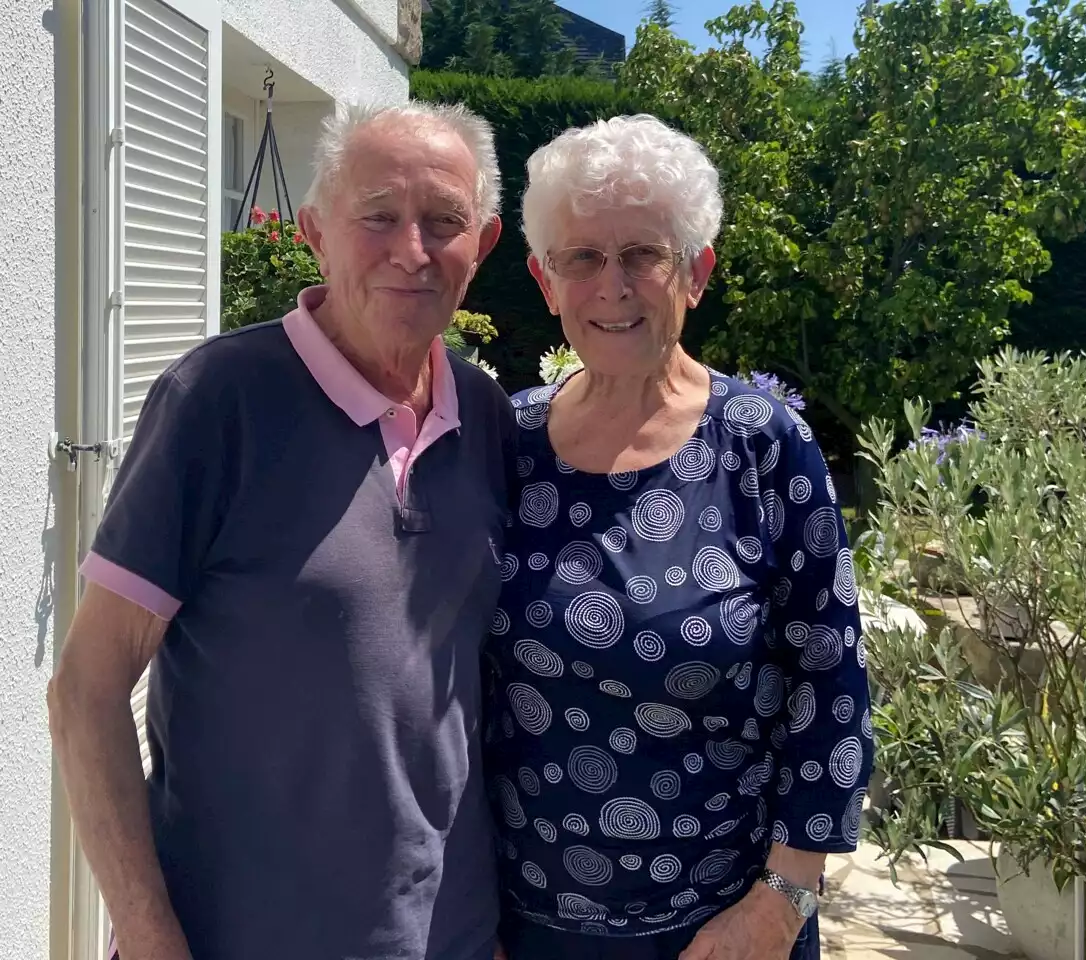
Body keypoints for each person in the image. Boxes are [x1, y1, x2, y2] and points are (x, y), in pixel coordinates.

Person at [48, 101, 516, 960]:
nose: (412, 250)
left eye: (444, 222)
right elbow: (85, 689)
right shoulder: (217, 403)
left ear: (481, 246)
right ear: (315, 232)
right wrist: (152, 941)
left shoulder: (485, 417)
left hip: (445, 936)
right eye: (378, 216)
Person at [482, 115, 874, 960]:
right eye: (581, 257)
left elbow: (831, 685)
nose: (611, 286)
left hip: (721, 930)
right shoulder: (502, 442)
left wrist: (781, 903)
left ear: (697, 271)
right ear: (544, 282)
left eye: (642, 255)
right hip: (528, 927)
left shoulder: (764, 445)